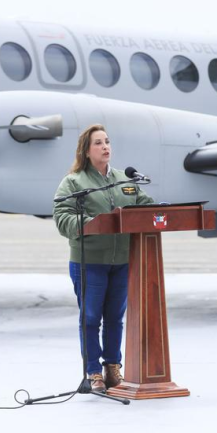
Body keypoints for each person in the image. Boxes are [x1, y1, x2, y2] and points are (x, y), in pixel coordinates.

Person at [53, 124, 154, 392]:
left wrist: (155, 211)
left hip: (121, 261)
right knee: (90, 317)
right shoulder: (74, 182)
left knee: (114, 317)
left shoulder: (125, 180)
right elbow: (62, 217)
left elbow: (144, 206)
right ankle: (93, 372)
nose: (105, 147)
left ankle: (112, 368)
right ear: (86, 151)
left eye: (107, 141)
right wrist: (92, 223)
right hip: (89, 262)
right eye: (98, 143)